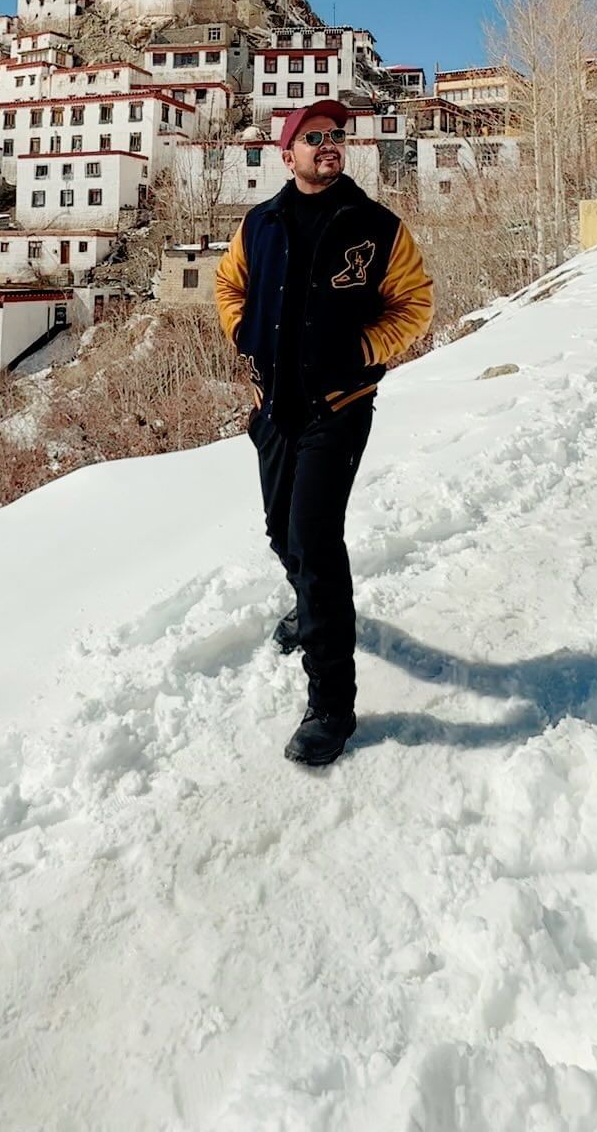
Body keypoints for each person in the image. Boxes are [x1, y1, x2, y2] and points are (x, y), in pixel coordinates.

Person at [215, 101, 433, 765]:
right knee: (283, 534)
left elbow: (415, 304)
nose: (329, 146)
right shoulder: (260, 224)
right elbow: (229, 289)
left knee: (314, 538)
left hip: (339, 407)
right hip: (275, 404)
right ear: (288, 155)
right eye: (314, 138)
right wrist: (246, 338)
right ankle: (310, 603)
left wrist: (363, 351)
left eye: (336, 136)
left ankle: (332, 707)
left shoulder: (376, 226)